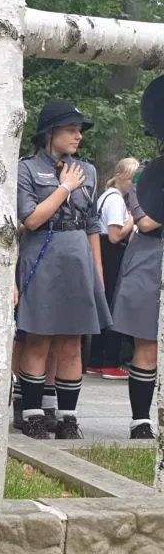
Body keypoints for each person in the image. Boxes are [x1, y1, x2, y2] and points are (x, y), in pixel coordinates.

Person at [15, 100, 110, 440]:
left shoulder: (88, 170)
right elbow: (30, 219)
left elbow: (92, 223)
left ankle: (69, 418)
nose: (78, 136)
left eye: (79, 130)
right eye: (71, 130)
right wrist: (64, 188)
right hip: (42, 253)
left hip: (77, 257)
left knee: (72, 341)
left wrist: (97, 272)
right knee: (38, 338)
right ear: (49, 133)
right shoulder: (26, 169)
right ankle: (33, 416)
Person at [111, 176, 162, 438]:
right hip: (149, 260)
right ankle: (140, 421)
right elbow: (146, 222)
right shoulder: (145, 178)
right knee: (147, 343)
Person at [85, 157, 139, 380]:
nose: (133, 185)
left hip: (103, 251)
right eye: (131, 179)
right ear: (119, 176)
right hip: (112, 253)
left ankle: (95, 360)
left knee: (104, 305)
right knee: (114, 306)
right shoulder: (116, 200)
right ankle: (110, 362)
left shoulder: (104, 196)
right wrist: (132, 221)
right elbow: (115, 236)